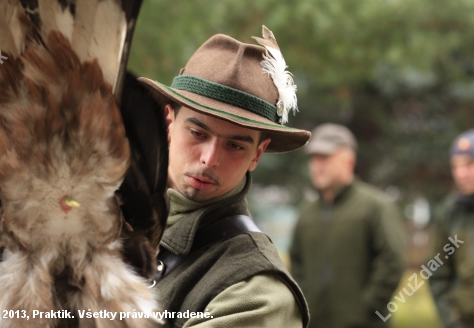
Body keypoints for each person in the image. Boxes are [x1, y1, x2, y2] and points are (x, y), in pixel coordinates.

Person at [138, 27, 311, 327]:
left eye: (234, 145)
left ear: (257, 154)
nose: (209, 159)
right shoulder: (104, 220)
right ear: (168, 124)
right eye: (197, 133)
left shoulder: (258, 295)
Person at [289, 123, 406, 328]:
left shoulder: (375, 206)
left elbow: (392, 261)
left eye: (325, 157)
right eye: (314, 158)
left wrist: (366, 308)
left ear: (349, 161)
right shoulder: (306, 212)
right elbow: (296, 263)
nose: (318, 165)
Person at [429, 129, 474, 328]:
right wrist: (452, 321)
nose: (461, 174)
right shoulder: (448, 213)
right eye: (455, 166)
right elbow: (436, 271)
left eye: (469, 165)